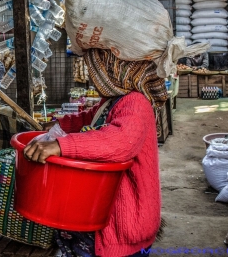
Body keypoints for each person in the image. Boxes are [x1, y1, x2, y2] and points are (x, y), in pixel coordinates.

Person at [23, 48, 167, 257]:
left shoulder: (136, 103)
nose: (91, 76)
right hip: (102, 214)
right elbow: (89, 119)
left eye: (94, 70)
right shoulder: (112, 101)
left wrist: (62, 145)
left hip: (123, 227)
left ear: (113, 71)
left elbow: (119, 142)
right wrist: (57, 126)